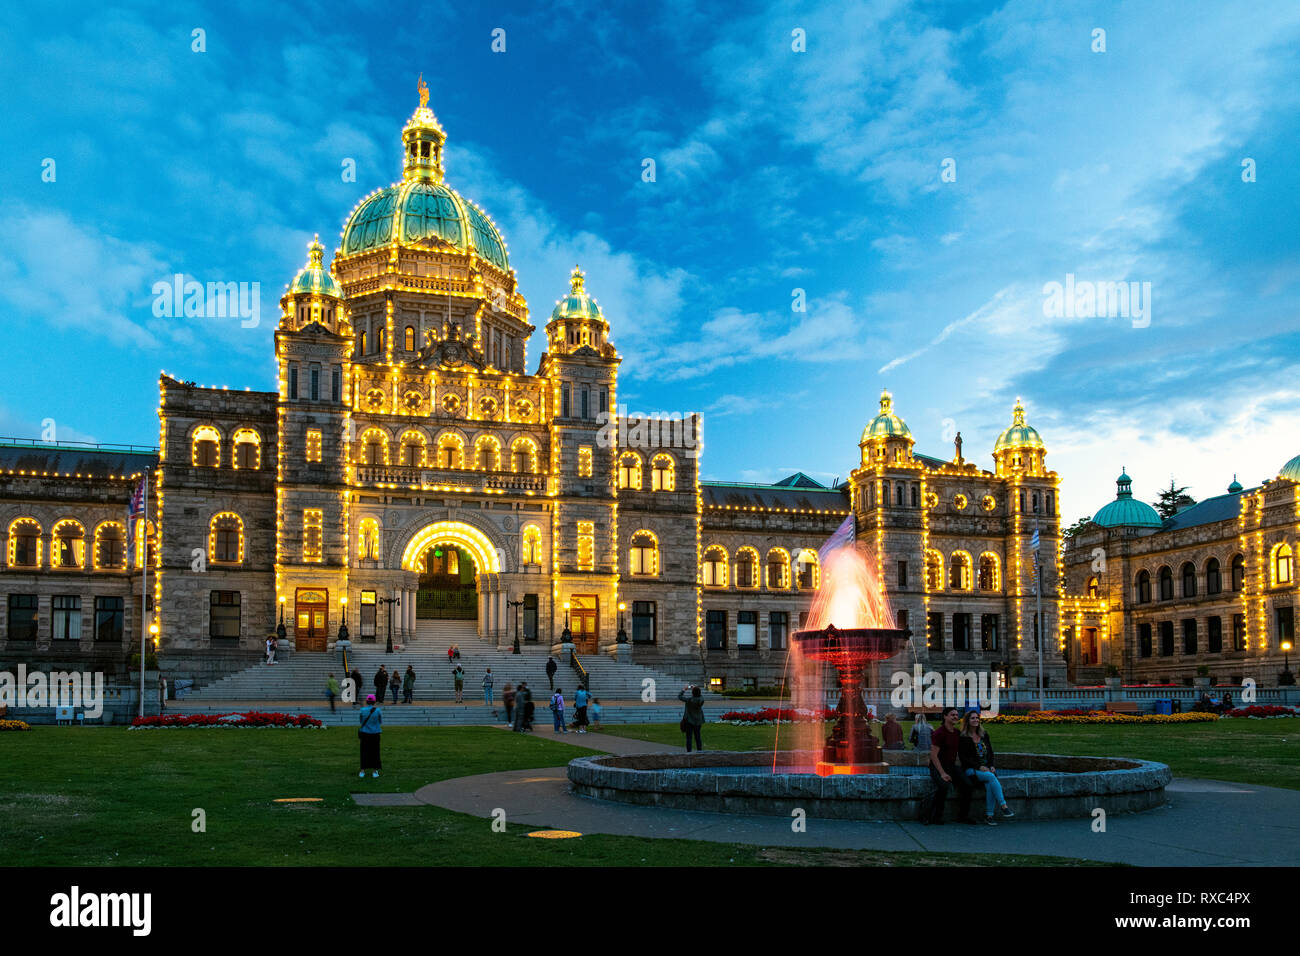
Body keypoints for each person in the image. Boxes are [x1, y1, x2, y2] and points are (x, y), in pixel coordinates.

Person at [959, 709, 1014, 825]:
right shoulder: (963, 737)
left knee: (990, 784)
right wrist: (979, 767)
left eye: (977, 718)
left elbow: (990, 753)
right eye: (973, 718)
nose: (976, 720)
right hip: (971, 770)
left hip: (986, 769)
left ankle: (989, 816)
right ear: (967, 721)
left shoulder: (984, 735)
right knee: (991, 777)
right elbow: (964, 758)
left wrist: (991, 765)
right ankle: (1004, 806)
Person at [927, 706, 974, 825]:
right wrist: (942, 773)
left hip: (951, 766)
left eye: (957, 715)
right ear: (945, 717)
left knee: (968, 785)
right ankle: (935, 816)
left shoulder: (957, 733)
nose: (955, 717)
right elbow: (933, 755)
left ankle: (963, 816)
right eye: (952, 715)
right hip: (938, 766)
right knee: (943, 786)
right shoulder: (939, 733)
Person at [358, 694, 382, 778]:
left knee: (364, 752)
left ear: (367, 701)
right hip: (375, 733)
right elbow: (380, 721)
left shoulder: (362, 710)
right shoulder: (378, 710)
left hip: (365, 733)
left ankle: (362, 771)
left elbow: (361, 721)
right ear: (374, 701)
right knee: (375, 752)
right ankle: (375, 771)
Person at [678, 685, 705, 752]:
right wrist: (695, 688)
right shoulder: (701, 700)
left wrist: (684, 689)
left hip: (689, 721)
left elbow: (680, 696)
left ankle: (689, 752)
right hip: (698, 721)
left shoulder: (689, 700)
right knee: (698, 737)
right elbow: (701, 696)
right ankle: (699, 751)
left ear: (692, 693)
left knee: (689, 738)